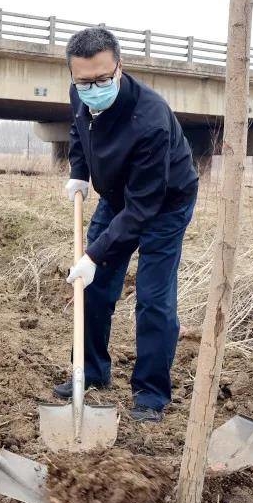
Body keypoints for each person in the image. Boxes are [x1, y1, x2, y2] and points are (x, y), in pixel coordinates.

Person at [58, 27, 199, 423]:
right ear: (73, 75)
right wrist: (80, 171)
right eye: (84, 81)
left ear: (120, 67)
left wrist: (93, 254)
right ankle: (90, 371)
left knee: (154, 297)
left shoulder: (150, 119)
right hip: (118, 194)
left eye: (103, 78)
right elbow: (78, 129)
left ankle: (151, 394)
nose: (93, 87)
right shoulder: (80, 91)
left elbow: (142, 210)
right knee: (95, 286)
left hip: (165, 202)